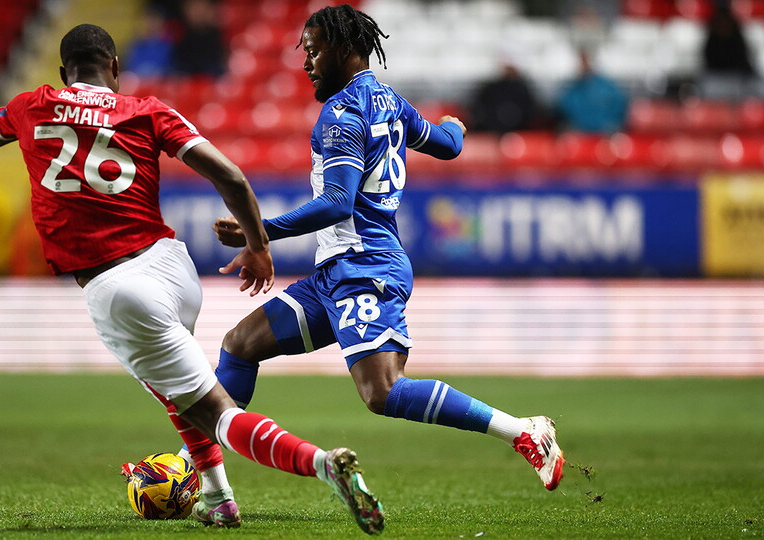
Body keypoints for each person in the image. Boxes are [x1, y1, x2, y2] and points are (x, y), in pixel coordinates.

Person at [0, 24, 384, 535]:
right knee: (172, 388)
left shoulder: (32, 106)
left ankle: (323, 464)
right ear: (114, 68)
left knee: (215, 412)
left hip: (118, 288)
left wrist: (11, 124)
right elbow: (230, 176)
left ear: (61, 71)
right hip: (172, 269)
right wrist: (258, 245)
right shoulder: (147, 110)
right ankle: (218, 498)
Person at [199, 4, 566, 494]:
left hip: (364, 267)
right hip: (336, 273)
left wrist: (259, 232)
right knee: (239, 346)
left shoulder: (342, 113)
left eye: (314, 51)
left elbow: (336, 203)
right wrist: (455, 126)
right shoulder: (391, 101)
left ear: (346, 50)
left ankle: (523, 430)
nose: (307, 64)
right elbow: (445, 144)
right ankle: (196, 468)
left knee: (382, 391)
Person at [555, 49, 627, 134]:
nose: (582, 65)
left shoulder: (607, 87)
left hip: (604, 135)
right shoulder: (572, 90)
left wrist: (612, 125)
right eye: (581, 62)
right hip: (581, 135)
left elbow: (619, 107)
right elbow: (565, 111)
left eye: (585, 61)